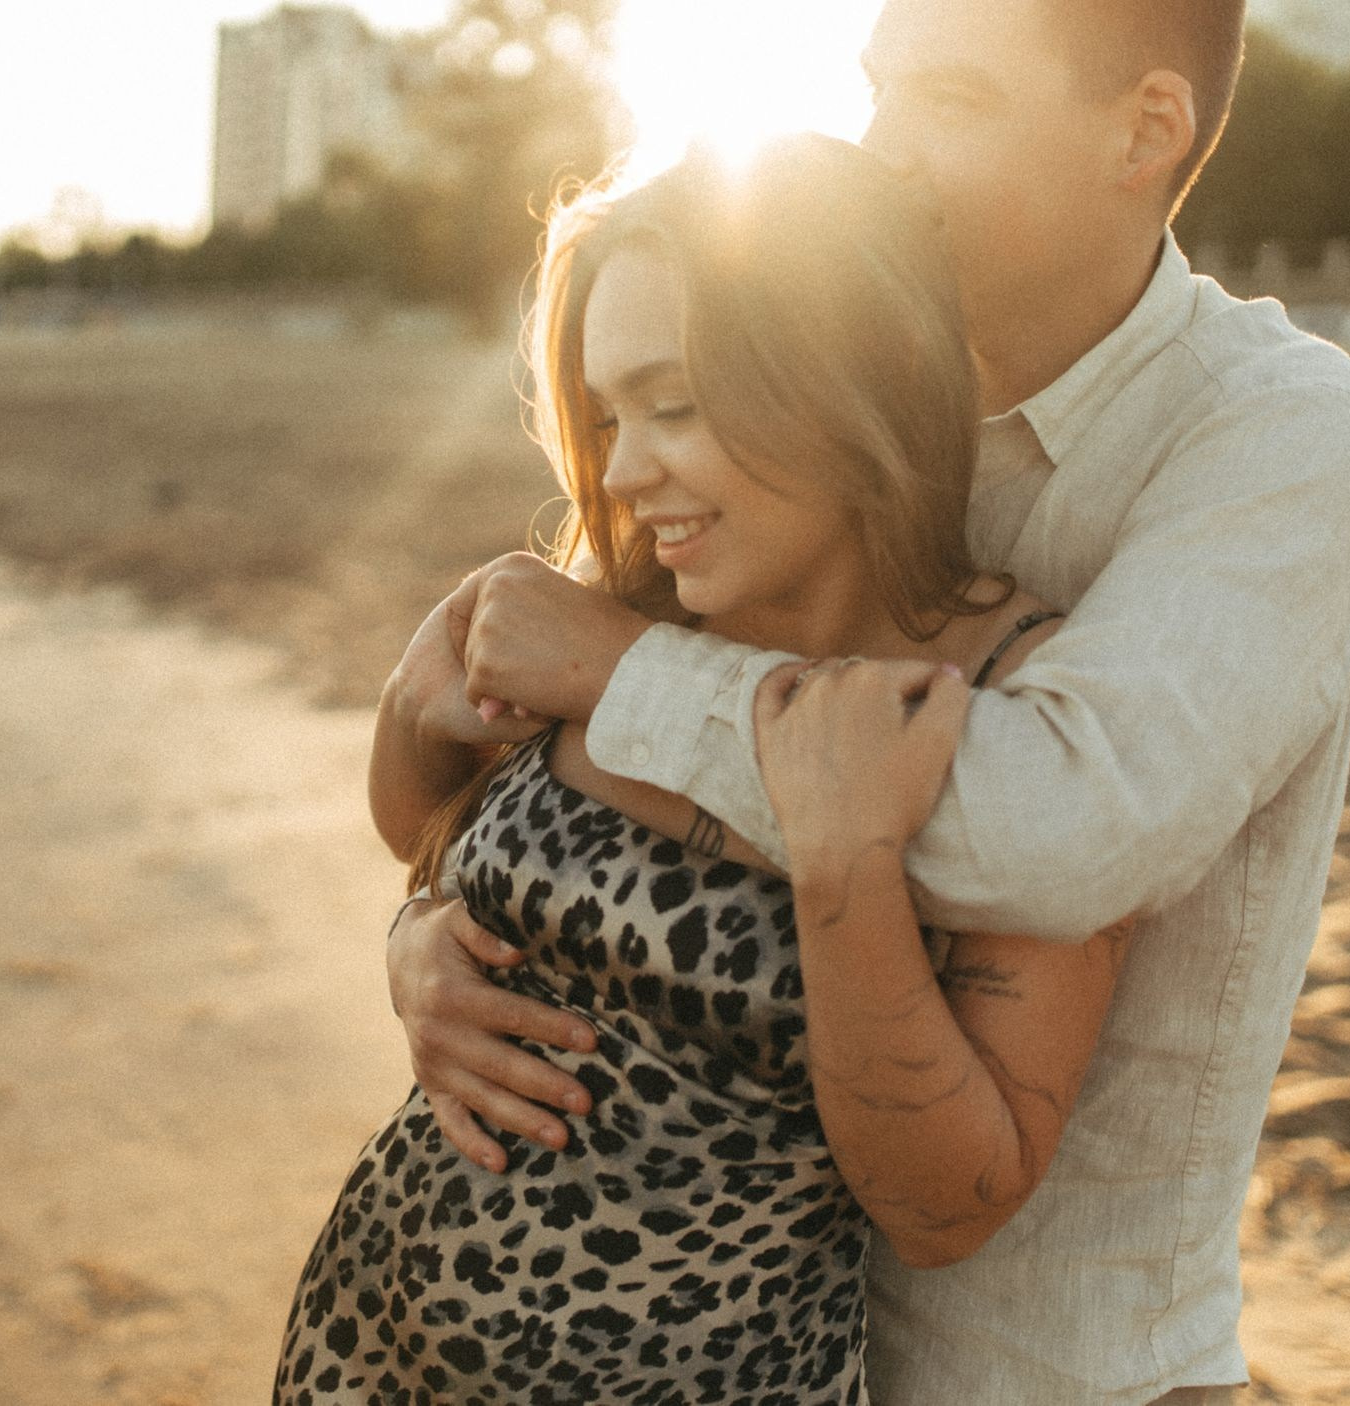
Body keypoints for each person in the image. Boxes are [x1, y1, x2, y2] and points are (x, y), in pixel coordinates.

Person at [380, 2, 1350, 1402]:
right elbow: (531, 792)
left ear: (1144, 129)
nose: (888, 150)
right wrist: (435, 937)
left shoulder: (1277, 428)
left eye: (953, 101)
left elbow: (1056, 833)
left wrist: (623, 675)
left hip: (1054, 1371)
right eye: (876, 93)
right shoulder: (805, 390)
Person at [277, 135, 1133, 1405]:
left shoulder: (1013, 701)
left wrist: (844, 862)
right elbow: (427, 825)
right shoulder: (622, 612)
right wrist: (414, 920)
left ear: (851, 371)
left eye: (673, 403)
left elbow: (950, 1203)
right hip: (371, 1350)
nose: (620, 470)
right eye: (610, 412)